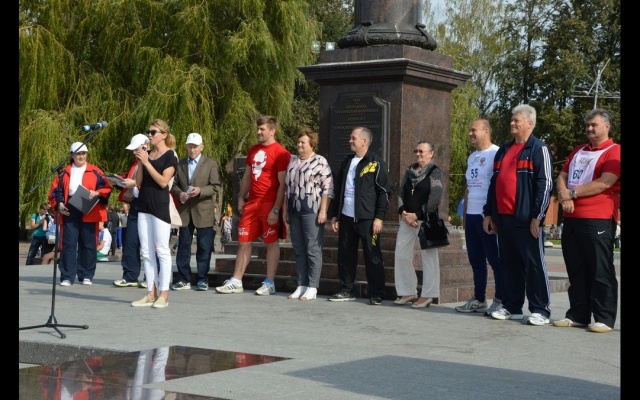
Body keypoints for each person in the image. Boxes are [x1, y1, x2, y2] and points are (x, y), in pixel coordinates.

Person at [482, 104, 554, 326]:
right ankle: (512, 307)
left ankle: (540, 310)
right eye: (512, 120)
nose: (512, 123)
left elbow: (545, 185)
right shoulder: (504, 150)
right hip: (503, 219)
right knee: (509, 264)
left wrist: (537, 216)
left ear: (530, 123)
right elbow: (494, 184)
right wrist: (489, 213)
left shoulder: (538, 149)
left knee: (533, 265)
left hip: (527, 219)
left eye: (517, 120)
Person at [553, 109, 620, 333]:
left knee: (600, 270)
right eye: (587, 125)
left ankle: (604, 318)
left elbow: (605, 182)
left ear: (607, 126)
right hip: (572, 218)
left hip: (598, 218)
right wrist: (564, 196)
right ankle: (578, 315)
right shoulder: (578, 150)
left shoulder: (614, 151)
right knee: (576, 270)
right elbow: (562, 176)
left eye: (594, 125)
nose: (589, 129)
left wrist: (571, 194)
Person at [215, 115, 291, 296]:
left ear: (272, 131)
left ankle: (270, 282)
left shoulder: (281, 153)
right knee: (243, 241)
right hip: (252, 203)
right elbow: (248, 176)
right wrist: (241, 198)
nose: (258, 132)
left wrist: (276, 209)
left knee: (271, 243)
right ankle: (236, 281)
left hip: (269, 204)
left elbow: (283, 185)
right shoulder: (254, 149)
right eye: (258, 129)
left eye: (262, 129)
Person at [327, 127, 391, 305]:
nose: (350, 141)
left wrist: (379, 217)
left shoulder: (376, 163)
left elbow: (384, 192)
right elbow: (339, 190)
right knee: (345, 256)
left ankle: (377, 293)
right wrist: (335, 215)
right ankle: (346, 290)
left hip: (367, 219)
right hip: (347, 218)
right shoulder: (347, 162)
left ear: (364, 141)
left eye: (353, 138)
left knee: (372, 256)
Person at [455, 119, 504, 315]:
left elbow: (499, 186)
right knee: (476, 259)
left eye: (473, 130)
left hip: (487, 215)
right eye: (469, 130)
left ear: (486, 131)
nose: (470, 134)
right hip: (472, 215)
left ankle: (500, 299)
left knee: (495, 260)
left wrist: (492, 215)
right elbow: (468, 187)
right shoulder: (472, 157)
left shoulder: (496, 153)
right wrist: (465, 215)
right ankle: (479, 298)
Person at [48, 142, 111, 286]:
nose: (81, 156)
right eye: (78, 154)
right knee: (68, 243)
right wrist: (59, 204)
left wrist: (97, 192)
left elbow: (107, 188)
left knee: (88, 243)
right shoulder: (64, 172)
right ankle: (67, 276)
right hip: (69, 207)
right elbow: (55, 191)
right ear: (72, 155)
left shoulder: (96, 171)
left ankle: (86, 275)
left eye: (84, 153)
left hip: (89, 207)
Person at [130, 119, 178, 308]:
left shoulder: (170, 156)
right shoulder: (148, 154)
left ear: (164, 135)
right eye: (148, 132)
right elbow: (139, 182)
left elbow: (163, 182)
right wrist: (141, 162)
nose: (149, 135)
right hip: (144, 205)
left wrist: (147, 162)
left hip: (159, 207)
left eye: (153, 132)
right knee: (146, 251)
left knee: (162, 250)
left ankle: (164, 294)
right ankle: (151, 292)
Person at [283, 128, 334, 301]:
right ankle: (301, 284)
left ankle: (312, 286)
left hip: (311, 211)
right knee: (298, 249)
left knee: (312, 249)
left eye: (303, 142)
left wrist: (323, 210)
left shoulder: (320, 161)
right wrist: (285, 210)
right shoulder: (292, 161)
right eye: (298, 142)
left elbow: (328, 188)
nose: (299, 145)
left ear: (312, 144)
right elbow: (287, 188)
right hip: (294, 211)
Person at [393, 141, 444, 308]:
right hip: (407, 220)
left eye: (422, 151)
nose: (418, 154)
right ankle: (408, 291)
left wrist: (416, 215)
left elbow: (435, 197)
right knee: (401, 254)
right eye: (416, 151)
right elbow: (401, 193)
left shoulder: (435, 172)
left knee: (429, 259)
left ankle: (428, 294)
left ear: (431, 154)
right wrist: (403, 212)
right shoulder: (410, 171)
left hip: (426, 221)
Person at [170, 132, 221, 291]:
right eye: (189, 146)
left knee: (204, 246)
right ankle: (183, 278)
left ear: (201, 147)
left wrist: (200, 190)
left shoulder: (210, 164)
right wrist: (180, 194)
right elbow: (173, 185)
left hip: (204, 211)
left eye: (195, 147)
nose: (192, 150)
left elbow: (216, 186)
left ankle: (202, 279)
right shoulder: (180, 164)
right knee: (183, 246)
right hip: (185, 210)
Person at [113, 134, 148, 288]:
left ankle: (151, 277)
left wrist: (133, 183)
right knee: (130, 241)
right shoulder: (135, 163)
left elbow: (157, 181)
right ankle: (130, 276)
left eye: (136, 148)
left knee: (149, 243)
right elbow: (129, 180)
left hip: (149, 204)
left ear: (145, 146)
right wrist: (118, 181)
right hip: (135, 204)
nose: (134, 152)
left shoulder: (153, 160)